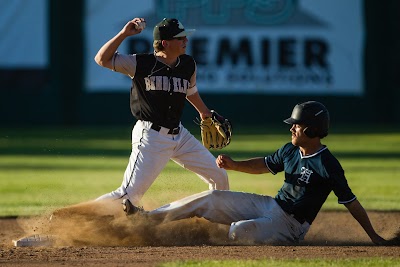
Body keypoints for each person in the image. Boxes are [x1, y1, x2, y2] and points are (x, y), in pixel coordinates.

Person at [123, 101, 386, 245]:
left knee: (241, 231)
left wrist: (373, 236)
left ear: (311, 130)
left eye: (296, 126)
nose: (292, 130)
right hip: (271, 205)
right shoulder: (290, 150)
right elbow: (264, 164)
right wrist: (234, 164)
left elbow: (350, 202)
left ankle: (195, 237)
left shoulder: (328, 165)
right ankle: (149, 219)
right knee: (210, 198)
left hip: (292, 225)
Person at [93, 17, 229, 206]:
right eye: (180, 38)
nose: (185, 41)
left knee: (219, 176)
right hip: (151, 136)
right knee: (129, 195)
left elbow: (190, 91)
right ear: (165, 43)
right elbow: (101, 59)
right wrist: (124, 34)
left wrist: (204, 112)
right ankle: (73, 216)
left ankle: (214, 226)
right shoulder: (141, 63)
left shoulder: (188, 64)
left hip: (180, 136)